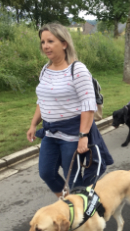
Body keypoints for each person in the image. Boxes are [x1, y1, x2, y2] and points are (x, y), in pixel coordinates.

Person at [26, 23, 113, 198]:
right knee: (46, 172)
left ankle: (82, 214)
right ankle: (69, 204)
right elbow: (42, 101)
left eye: (50, 41)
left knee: (72, 180)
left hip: (72, 134)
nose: (45, 46)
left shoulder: (77, 69)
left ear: (64, 43)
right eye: (43, 42)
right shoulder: (45, 70)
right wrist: (33, 124)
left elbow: (89, 105)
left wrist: (83, 136)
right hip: (50, 133)